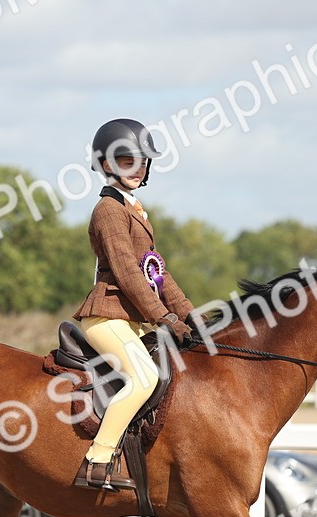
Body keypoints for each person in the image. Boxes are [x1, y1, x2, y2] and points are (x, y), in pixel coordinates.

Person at [72, 118, 196, 491]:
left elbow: (155, 272)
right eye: (127, 161)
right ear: (107, 165)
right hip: (108, 315)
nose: (136, 168)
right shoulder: (109, 210)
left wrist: (190, 314)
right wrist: (164, 316)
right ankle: (97, 459)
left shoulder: (135, 209)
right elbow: (127, 274)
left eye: (142, 161)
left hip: (134, 319)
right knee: (144, 377)